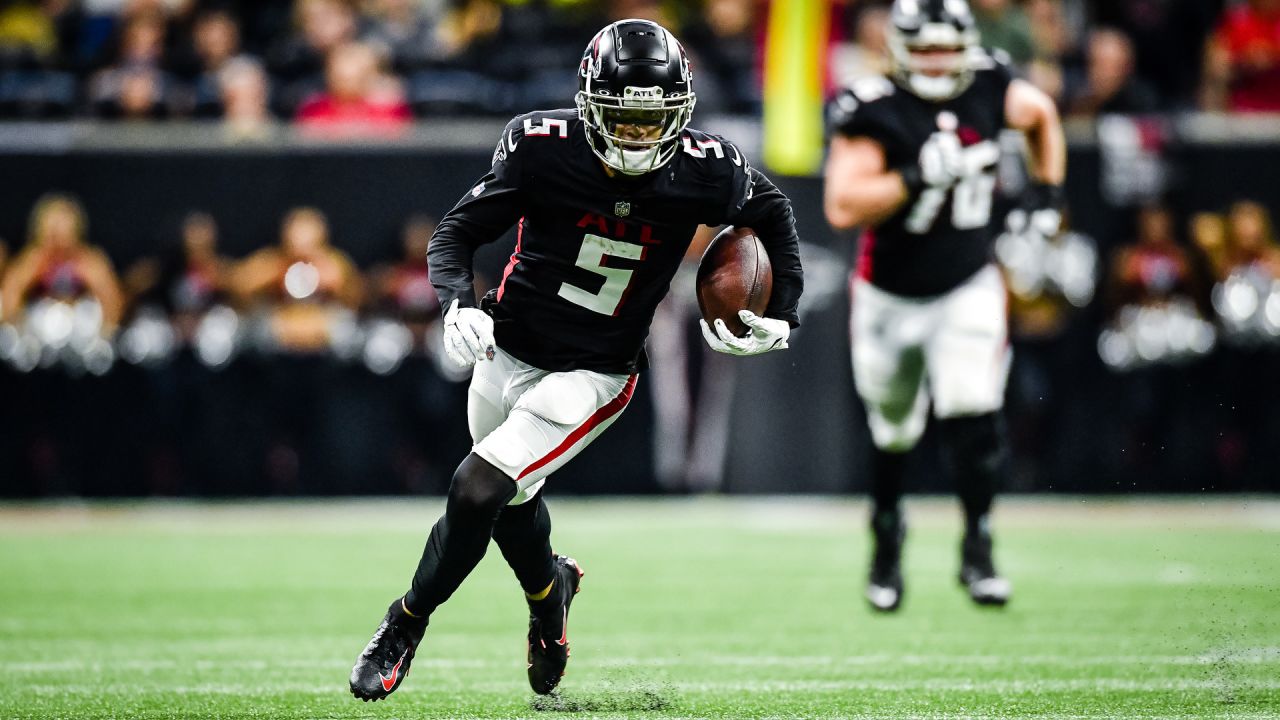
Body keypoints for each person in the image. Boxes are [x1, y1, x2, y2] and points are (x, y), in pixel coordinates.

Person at [349, 18, 802, 701]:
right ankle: (548, 591)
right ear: (590, 104)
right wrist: (455, 305)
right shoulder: (543, 147)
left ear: (680, 114)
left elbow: (773, 214)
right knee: (511, 499)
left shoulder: (708, 167)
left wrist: (784, 308)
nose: (639, 137)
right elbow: (456, 233)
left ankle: (403, 623)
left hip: (594, 372)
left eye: (655, 122)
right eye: (624, 119)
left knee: (479, 485)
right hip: (508, 346)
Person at [823, 0, 1065, 612]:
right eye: (923, 49)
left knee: (973, 410)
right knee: (894, 429)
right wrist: (915, 177)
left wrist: (1046, 195)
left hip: (966, 283)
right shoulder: (873, 105)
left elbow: (1040, 115)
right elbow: (843, 204)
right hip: (887, 297)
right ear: (900, 49)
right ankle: (886, 539)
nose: (936, 62)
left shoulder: (989, 80)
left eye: (945, 49)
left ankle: (978, 548)